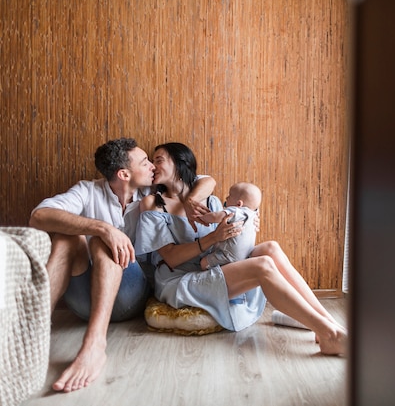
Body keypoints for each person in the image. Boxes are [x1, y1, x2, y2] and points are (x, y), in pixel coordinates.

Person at [28, 138, 215, 393]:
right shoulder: (88, 191)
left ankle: (94, 345)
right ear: (124, 173)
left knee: (101, 244)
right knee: (67, 238)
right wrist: (102, 228)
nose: (152, 166)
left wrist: (193, 201)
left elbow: (206, 180)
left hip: (130, 295)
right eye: (145, 162)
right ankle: (32, 330)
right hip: (84, 298)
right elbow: (39, 217)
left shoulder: (153, 193)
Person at [135, 142, 347, 355]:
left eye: (158, 160)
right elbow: (170, 258)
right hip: (180, 279)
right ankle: (330, 335)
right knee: (262, 265)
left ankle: (329, 324)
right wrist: (212, 238)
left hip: (212, 266)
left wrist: (248, 219)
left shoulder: (211, 201)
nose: (153, 166)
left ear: (180, 164)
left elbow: (232, 233)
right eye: (151, 162)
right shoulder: (152, 203)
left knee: (271, 248)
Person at [198, 181, 261, 270]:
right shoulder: (253, 214)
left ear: (239, 204)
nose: (226, 198)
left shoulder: (237, 211)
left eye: (229, 196)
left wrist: (202, 218)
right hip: (245, 255)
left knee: (203, 263)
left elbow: (216, 216)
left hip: (228, 255)